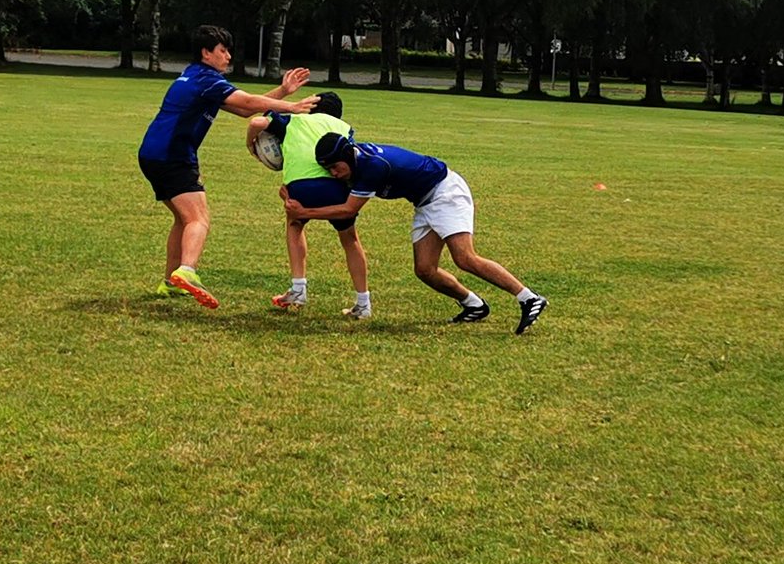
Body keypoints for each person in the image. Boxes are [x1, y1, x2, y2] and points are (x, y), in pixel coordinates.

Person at [283, 133, 549, 334]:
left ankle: (529, 298)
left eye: (335, 167)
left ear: (347, 155)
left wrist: (303, 212)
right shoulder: (354, 158)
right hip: (425, 201)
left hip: (445, 192)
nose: (333, 173)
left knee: (465, 258)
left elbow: (347, 210)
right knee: (425, 269)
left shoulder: (373, 166)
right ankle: (473, 304)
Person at [138, 25, 318, 309]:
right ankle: (187, 271)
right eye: (223, 51)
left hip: (152, 153)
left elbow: (245, 109)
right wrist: (291, 107)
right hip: (173, 156)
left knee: (183, 219)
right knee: (199, 219)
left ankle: (170, 282)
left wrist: (282, 91)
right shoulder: (207, 80)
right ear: (206, 53)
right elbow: (247, 101)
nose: (228, 56)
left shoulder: (193, 77)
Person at [245, 92, 372, 318]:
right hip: (335, 185)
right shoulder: (344, 126)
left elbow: (256, 122)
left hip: (300, 186)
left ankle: (298, 288)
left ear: (310, 106)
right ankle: (363, 302)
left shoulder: (294, 118)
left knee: (295, 225)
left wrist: (251, 146)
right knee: (350, 238)